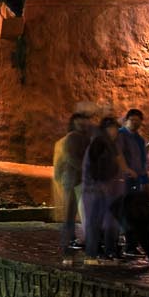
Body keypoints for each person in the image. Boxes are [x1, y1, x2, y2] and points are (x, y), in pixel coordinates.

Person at [80, 116, 127, 263]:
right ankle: (93, 253)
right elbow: (94, 168)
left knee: (109, 222)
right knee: (95, 222)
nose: (114, 132)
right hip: (95, 191)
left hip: (107, 191)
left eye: (115, 129)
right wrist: (101, 185)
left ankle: (108, 251)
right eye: (111, 129)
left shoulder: (111, 145)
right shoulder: (99, 144)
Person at [51, 110, 90, 259]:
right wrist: (87, 170)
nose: (83, 124)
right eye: (79, 121)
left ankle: (73, 239)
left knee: (76, 211)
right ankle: (69, 240)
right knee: (71, 212)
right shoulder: (71, 138)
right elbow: (70, 158)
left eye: (84, 121)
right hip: (73, 179)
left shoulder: (84, 138)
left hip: (77, 179)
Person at [119, 109, 149, 260]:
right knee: (127, 213)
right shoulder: (121, 136)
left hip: (136, 182)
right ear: (126, 120)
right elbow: (118, 157)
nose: (135, 123)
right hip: (123, 182)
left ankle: (131, 245)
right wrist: (127, 171)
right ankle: (128, 245)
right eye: (132, 120)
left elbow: (142, 162)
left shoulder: (139, 140)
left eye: (138, 120)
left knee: (133, 214)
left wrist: (144, 179)